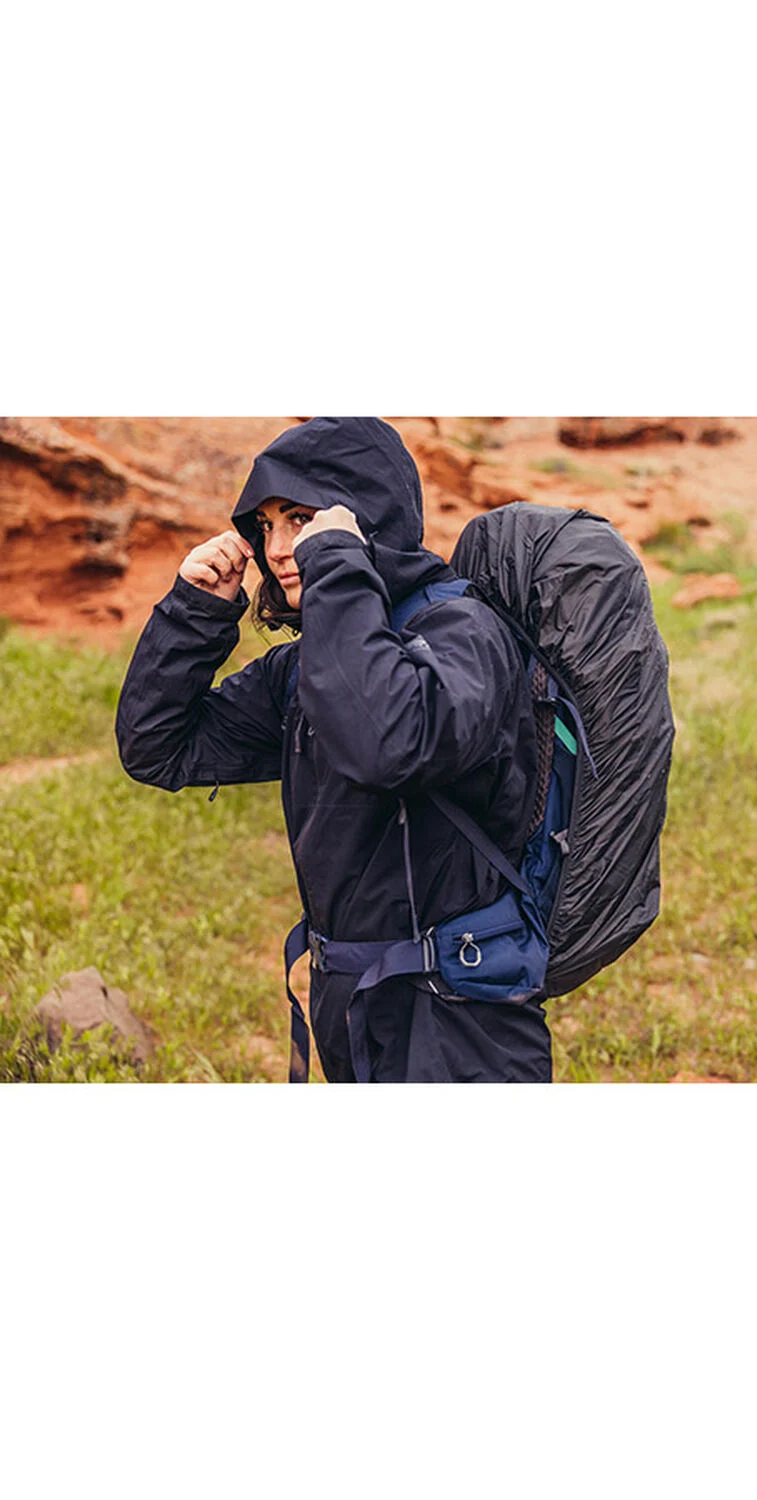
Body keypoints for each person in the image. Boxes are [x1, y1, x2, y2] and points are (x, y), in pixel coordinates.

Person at [116, 417, 550, 1083]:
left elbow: (390, 744)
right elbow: (158, 746)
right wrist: (192, 613)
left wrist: (339, 565)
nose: (277, 548)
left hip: (461, 1013)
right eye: (265, 526)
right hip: (350, 1000)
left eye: (300, 519)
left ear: (363, 516)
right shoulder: (307, 669)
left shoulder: (463, 632)